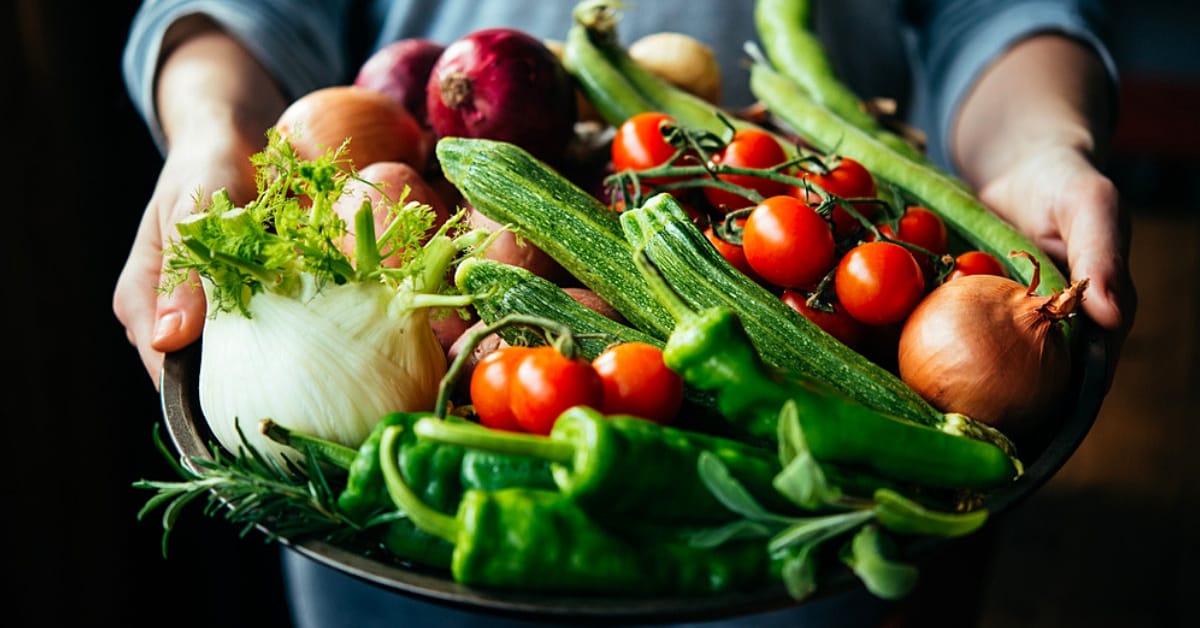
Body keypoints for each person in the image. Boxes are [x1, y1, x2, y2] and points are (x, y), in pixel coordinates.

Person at [115, 1, 1136, 626]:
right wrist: (214, 128)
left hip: (803, 540)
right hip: (402, 508)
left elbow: (992, 9)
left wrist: (1040, 142)